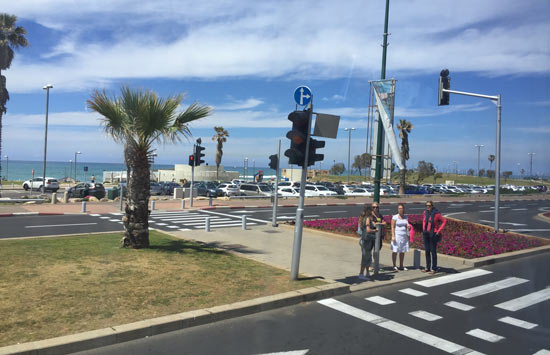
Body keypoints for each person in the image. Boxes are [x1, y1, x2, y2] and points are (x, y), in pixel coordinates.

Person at [422, 201, 447, 274]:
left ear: (432, 206)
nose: (428, 207)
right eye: (426, 205)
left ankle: (434, 268)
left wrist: (438, 231)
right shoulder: (425, 212)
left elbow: (444, 221)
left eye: (429, 205)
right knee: (427, 251)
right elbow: (424, 221)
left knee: (433, 251)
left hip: (433, 234)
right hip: (426, 234)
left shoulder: (436, 214)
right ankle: (427, 267)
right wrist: (423, 229)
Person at [357, 205, 377, 280]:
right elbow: (368, 230)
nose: (373, 211)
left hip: (364, 240)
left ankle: (367, 272)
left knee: (368, 257)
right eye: (372, 210)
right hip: (367, 240)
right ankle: (361, 274)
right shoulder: (367, 219)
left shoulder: (364, 218)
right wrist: (375, 231)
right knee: (365, 257)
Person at [391, 203, 410, 271]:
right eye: (399, 208)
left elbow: (407, 226)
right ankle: (394, 265)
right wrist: (393, 236)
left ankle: (401, 265)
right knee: (395, 250)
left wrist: (408, 227)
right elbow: (392, 227)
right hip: (397, 235)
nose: (400, 210)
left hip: (404, 235)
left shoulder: (405, 217)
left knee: (402, 251)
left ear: (403, 209)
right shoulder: (395, 217)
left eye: (401, 208)